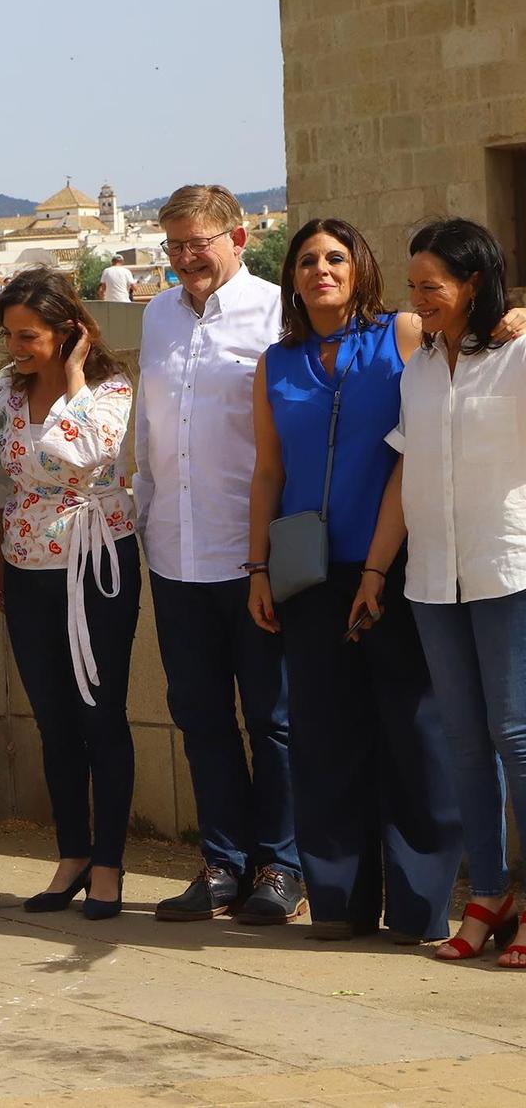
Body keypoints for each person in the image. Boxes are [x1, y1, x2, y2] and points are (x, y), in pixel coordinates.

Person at [244, 219, 464, 940]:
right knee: (324, 737)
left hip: (399, 565)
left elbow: (472, 355)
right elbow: (269, 470)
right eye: (307, 260)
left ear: (358, 266)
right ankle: (337, 900)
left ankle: (419, 908)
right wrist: (256, 568)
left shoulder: (400, 335)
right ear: (292, 277)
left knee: (414, 731)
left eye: (335, 256)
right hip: (308, 570)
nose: (320, 269)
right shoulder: (276, 364)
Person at [135, 184, 300, 923]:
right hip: (174, 552)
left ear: (237, 237)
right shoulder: (157, 314)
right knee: (200, 717)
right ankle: (223, 864)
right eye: (173, 247)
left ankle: (282, 866)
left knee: (273, 720)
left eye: (197, 243)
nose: (185, 259)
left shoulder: (277, 310)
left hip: (252, 553)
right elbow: (146, 431)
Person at [379, 218, 526, 963]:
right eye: (412, 287)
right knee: (466, 742)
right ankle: (491, 891)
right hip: (433, 579)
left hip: (508, 568)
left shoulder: (521, 355)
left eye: (431, 287)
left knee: (518, 736)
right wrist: (379, 572)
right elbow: (407, 470)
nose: (417, 301)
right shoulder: (416, 369)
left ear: (473, 283)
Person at [0, 270, 139, 920]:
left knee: (100, 715)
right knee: (53, 720)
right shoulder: (4, 392)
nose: (16, 347)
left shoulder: (111, 386)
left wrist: (73, 377)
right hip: (25, 563)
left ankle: (107, 865)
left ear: (68, 331)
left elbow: (91, 454)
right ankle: (71, 854)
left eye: (30, 336)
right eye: (9, 335)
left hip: (96, 562)